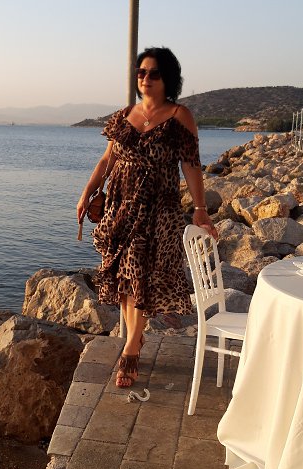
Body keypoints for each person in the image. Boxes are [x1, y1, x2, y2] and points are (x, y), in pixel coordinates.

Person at [76, 46, 217, 388]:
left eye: (153, 73)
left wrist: (200, 210)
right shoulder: (125, 114)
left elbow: (191, 165)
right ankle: (135, 338)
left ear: (168, 78)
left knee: (140, 272)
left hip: (158, 209)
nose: (145, 78)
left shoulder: (180, 116)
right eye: (141, 72)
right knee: (126, 276)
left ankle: (130, 350)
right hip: (120, 208)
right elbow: (107, 160)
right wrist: (86, 193)